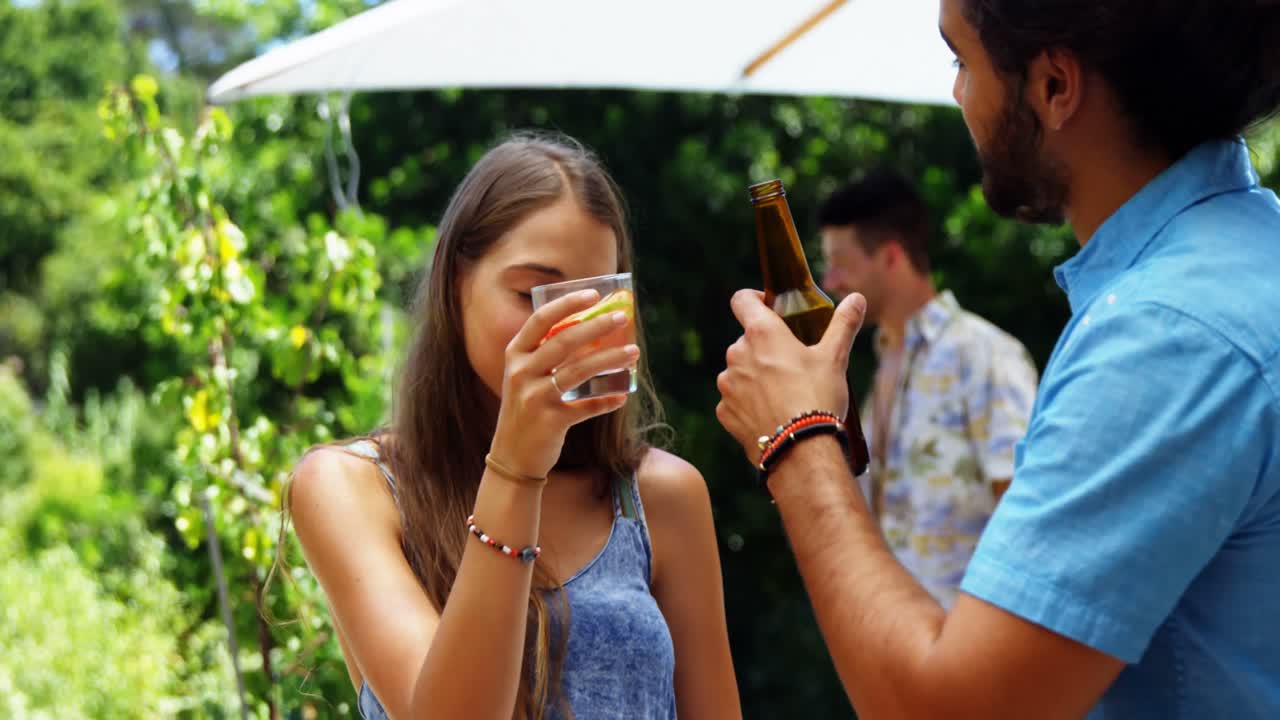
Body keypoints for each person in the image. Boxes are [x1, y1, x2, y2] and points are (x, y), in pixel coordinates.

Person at [715, 0, 1280, 716]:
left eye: (961, 59)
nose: (956, 92)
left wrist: (796, 435)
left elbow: (952, 710)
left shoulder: (1164, 338)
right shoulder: (1247, 261)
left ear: (1053, 85)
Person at [288, 134, 741, 719]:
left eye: (592, 305)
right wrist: (517, 468)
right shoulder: (353, 486)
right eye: (533, 294)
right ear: (456, 285)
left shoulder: (657, 496)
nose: (564, 331)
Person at [817, 170, 1038, 607]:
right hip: (898, 634)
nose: (829, 281)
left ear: (891, 256)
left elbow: (1026, 509)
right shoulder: (882, 364)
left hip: (974, 635)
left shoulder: (984, 354)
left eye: (840, 262)